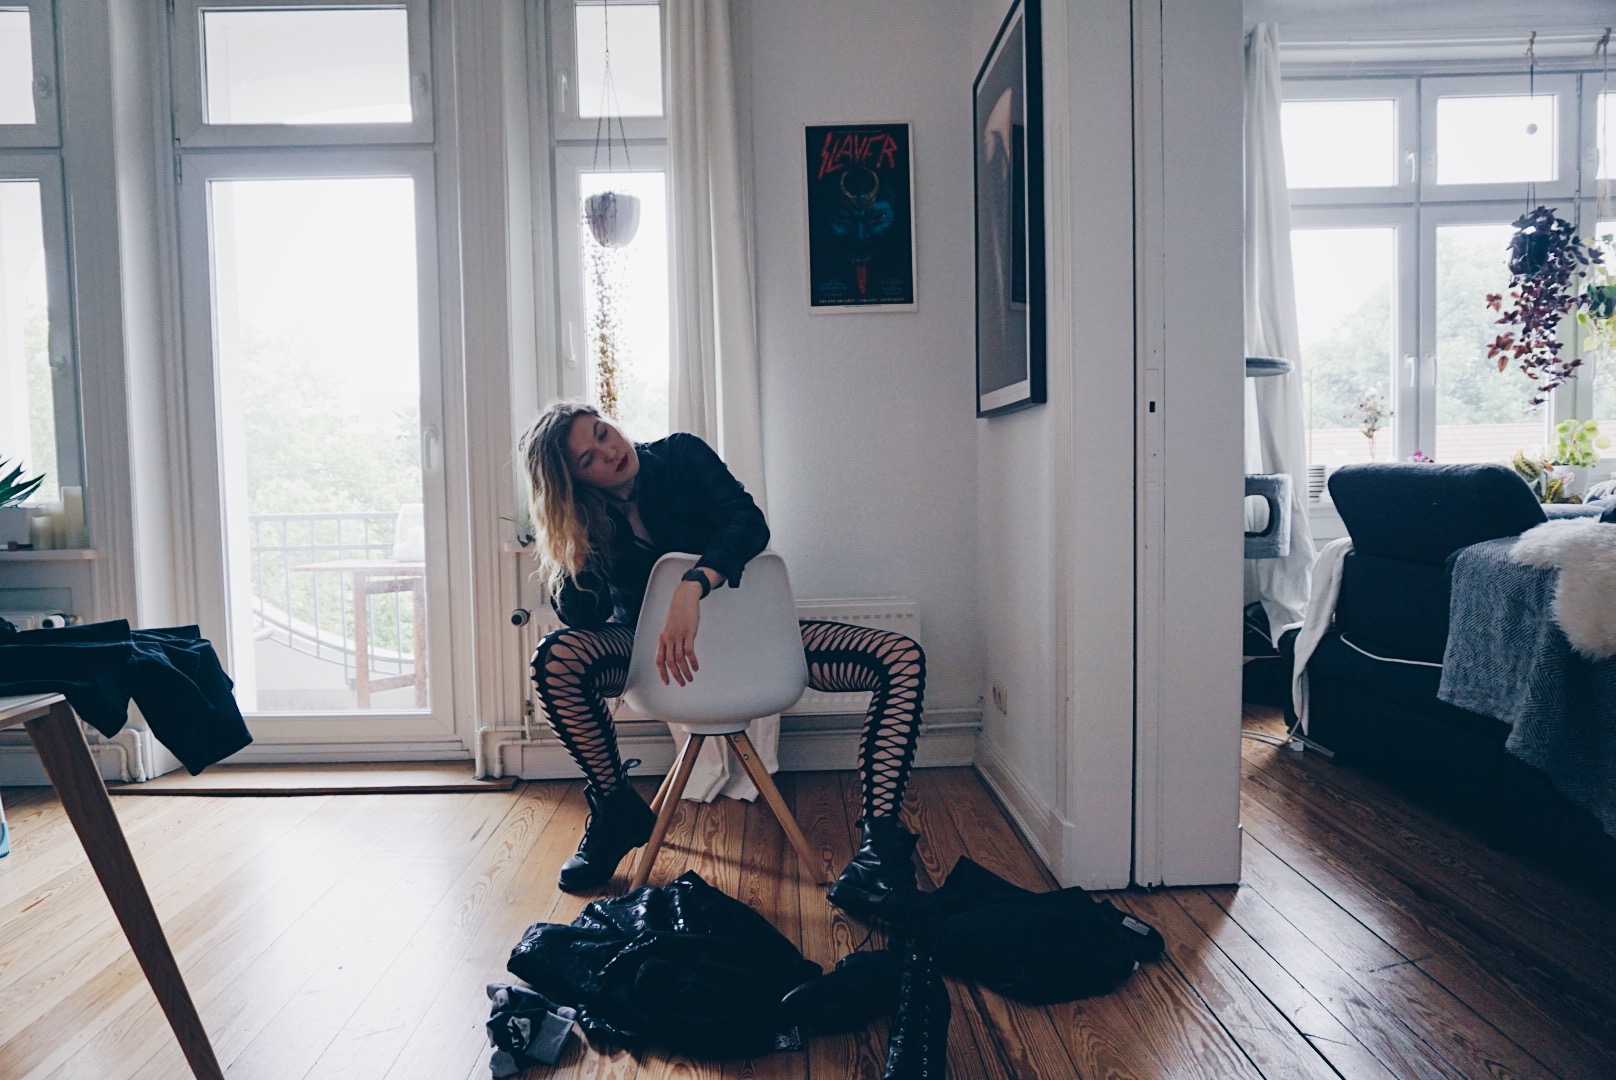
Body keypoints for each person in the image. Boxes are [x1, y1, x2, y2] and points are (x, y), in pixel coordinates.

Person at [518, 401, 926, 920]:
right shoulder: (587, 521)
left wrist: (694, 584)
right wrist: (575, 559)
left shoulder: (682, 455)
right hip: (653, 659)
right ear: (572, 481)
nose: (609, 451)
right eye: (588, 458)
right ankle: (615, 807)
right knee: (554, 658)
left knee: (900, 657)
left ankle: (879, 849)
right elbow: (585, 620)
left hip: (751, 642)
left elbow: (747, 523)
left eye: (603, 433)